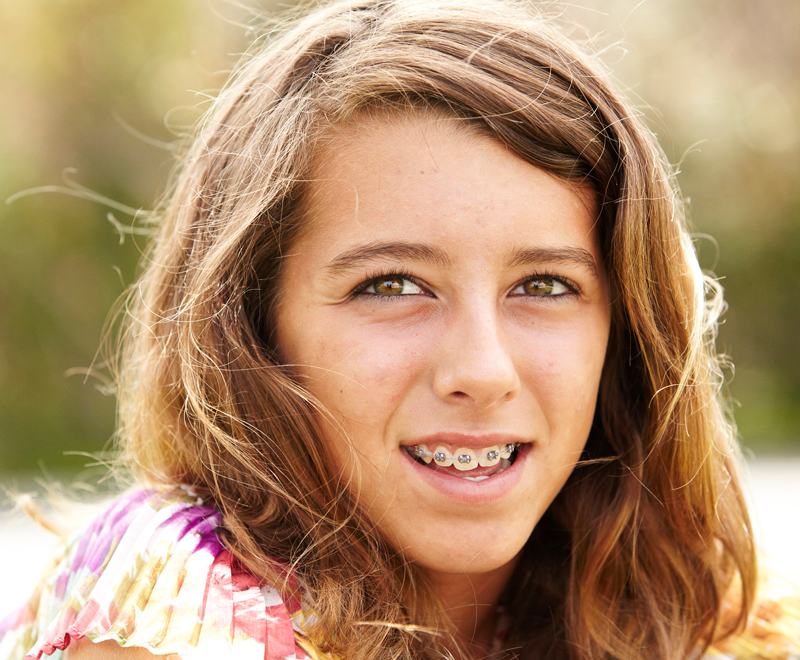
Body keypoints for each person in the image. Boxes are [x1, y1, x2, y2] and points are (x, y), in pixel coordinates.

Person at [2, 0, 797, 658]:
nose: (483, 370)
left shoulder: (684, 604)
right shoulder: (176, 607)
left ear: (625, 328)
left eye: (545, 285)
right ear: (248, 325)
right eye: (391, 286)